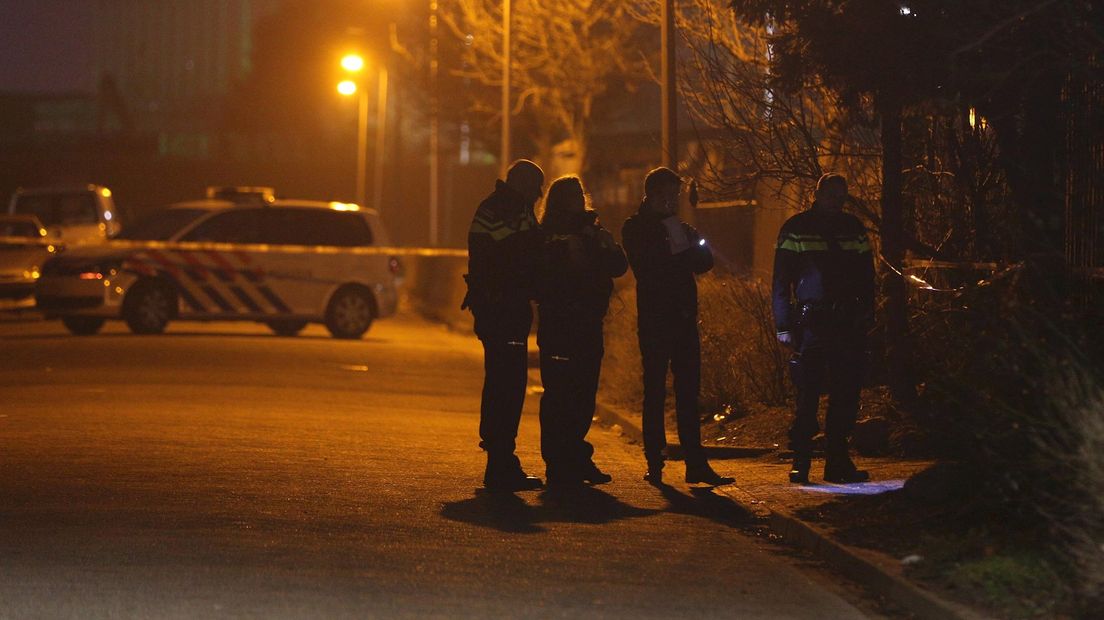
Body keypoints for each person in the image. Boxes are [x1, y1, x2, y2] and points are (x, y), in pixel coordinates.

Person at [621, 167, 735, 486]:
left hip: (684, 319)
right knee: (655, 391)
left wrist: (677, 242)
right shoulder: (635, 227)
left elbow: (705, 262)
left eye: (675, 195)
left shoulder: (679, 226)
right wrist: (678, 248)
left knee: (688, 392)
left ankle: (695, 463)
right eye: (666, 195)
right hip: (655, 320)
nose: (672, 201)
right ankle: (654, 460)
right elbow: (648, 266)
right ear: (651, 194)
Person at [771, 173, 875, 484]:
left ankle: (837, 462)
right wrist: (783, 324)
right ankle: (801, 462)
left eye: (841, 195)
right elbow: (781, 280)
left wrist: (867, 314)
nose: (836, 200)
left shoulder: (853, 228)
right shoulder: (796, 228)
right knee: (808, 393)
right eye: (831, 194)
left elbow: (866, 277)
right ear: (817, 194)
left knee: (845, 394)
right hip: (811, 322)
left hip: (846, 323)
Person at [535, 176, 628, 487]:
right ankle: (557, 462)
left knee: (584, 394)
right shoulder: (548, 234)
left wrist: (595, 240)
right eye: (571, 195)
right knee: (559, 395)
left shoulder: (593, 228)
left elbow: (617, 264)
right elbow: (547, 276)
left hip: (588, 323)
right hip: (560, 324)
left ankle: (576, 457)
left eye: (580, 193)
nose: (578, 199)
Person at [463, 159, 545, 491]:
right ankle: (500, 462)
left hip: (495, 308)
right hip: (504, 309)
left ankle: (500, 458)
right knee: (507, 386)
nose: (540, 195)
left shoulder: (495, 207)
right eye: (537, 187)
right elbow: (526, 256)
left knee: (501, 382)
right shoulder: (512, 211)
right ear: (525, 185)